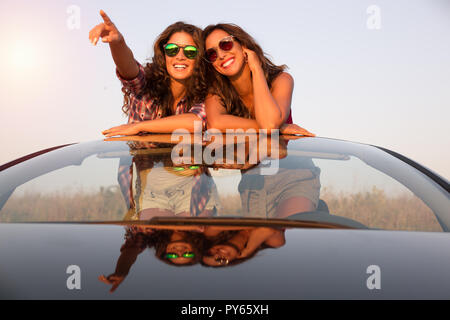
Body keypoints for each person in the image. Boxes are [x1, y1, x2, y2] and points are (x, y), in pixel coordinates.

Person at [88, 10, 208, 136]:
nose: (180, 56)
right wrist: (117, 42)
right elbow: (128, 68)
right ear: (163, 53)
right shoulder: (146, 86)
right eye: (172, 49)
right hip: (140, 156)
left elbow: (196, 121)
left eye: (190, 51)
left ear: (199, 57)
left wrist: (139, 127)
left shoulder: (205, 94)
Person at [202, 23, 315, 135]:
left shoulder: (281, 80)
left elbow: (269, 124)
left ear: (243, 45)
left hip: (275, 152)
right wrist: (280, 128)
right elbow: (215, 124)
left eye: (225, 44)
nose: (221, 55)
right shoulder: (216, 91)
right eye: (212, 54)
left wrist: (256, 69)